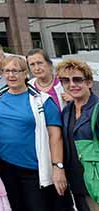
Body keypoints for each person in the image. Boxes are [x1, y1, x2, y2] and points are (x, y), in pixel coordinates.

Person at [0, 55, 67, 211]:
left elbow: (55, 136)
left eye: (16, 71)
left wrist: (58, 167)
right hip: (4, 167)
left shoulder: (43, 100)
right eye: (7, 71)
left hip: (34, 170)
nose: (11, 75)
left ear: (25, 73)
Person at [58, 59, 99, 211]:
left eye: (77, 79)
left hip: (95, 182)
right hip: (77, 182)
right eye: (66, 80)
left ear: (89, 83)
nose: (72, 84)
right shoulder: (67, 111)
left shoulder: (97, 108)